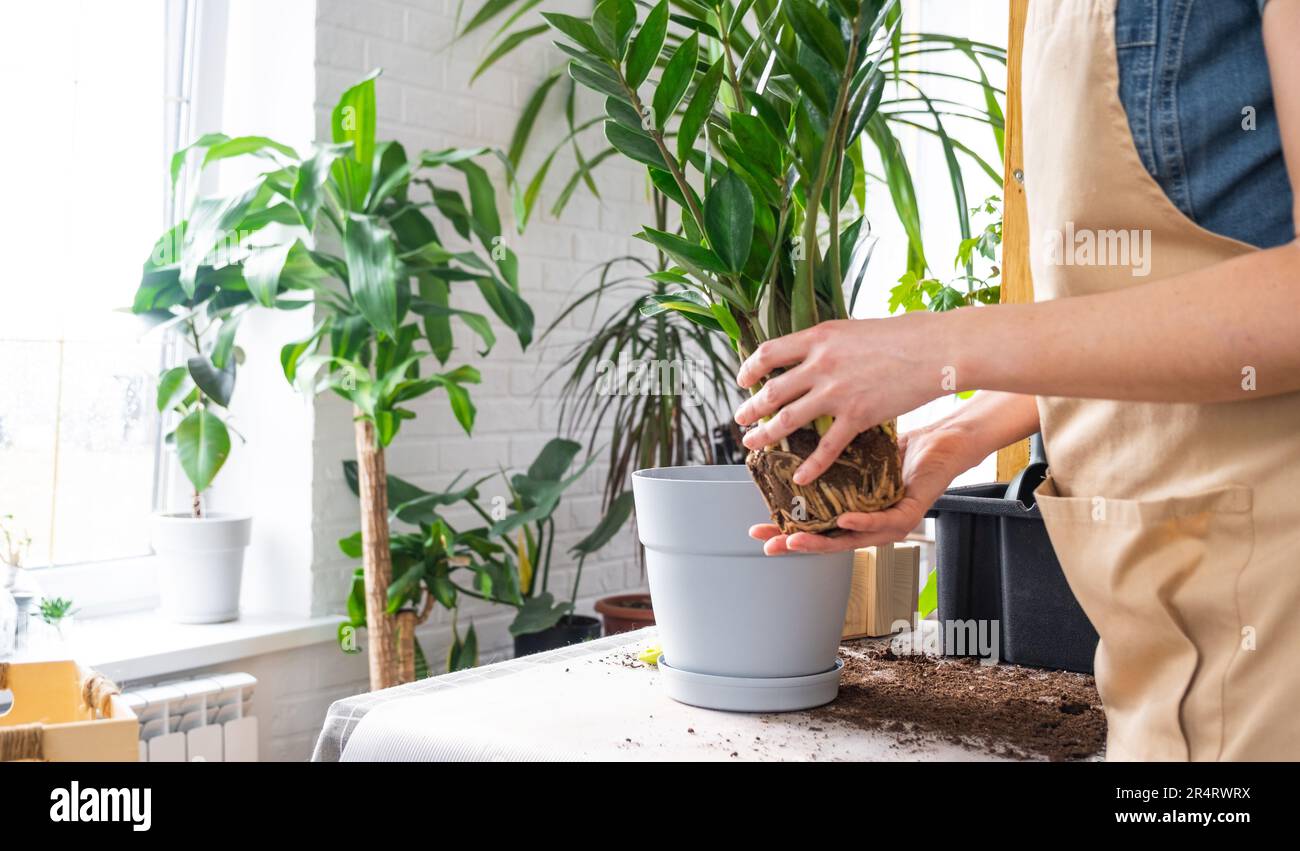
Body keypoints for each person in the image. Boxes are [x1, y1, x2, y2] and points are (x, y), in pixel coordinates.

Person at [735, 0, 1300, 761]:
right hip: (1155, 654)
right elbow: (1130, 311)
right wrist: (962, 431)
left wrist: (942, 344)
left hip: (1269, 621)